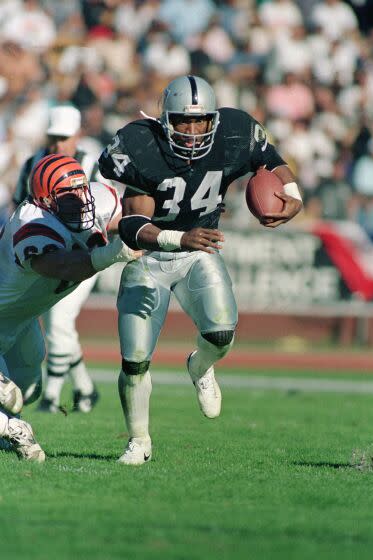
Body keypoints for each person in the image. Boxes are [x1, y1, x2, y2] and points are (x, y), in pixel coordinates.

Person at [98, 74, 303, 466]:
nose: (192, 131)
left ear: (215, 120)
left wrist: (292, 193)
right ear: (164, 121)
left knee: (222, 334)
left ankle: (200, 365)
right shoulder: (141, 145)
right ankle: (138, 441)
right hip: (148, 258)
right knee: (135, 358)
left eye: (201, 121)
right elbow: (131, 227)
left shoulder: (235, 132)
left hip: (198, 251)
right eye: (183, 121)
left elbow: (270, 158)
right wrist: (179, 238)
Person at [0, 154, 140, 462]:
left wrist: (154, 232)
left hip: (21, 321)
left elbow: (127, 221)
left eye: (81, 188)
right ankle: (14, 431)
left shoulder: (96, 200)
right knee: (9, 404)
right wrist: (112, 253)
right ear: (46, 200)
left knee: (30, 390)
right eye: (68, 193)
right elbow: (61, 266)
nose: (79, 198)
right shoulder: (32, 223)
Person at [13, 105, 112, 413]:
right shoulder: (33, 162)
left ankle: (53, 395)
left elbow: (104, 208)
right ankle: (84, 388)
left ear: (77, 136)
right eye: (53, 136)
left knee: (59, 321)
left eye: (63, 137)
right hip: (49, 251)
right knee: (56, 322)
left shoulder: (93, 162)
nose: (57, 144)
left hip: (84, 251)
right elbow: (22, 208)